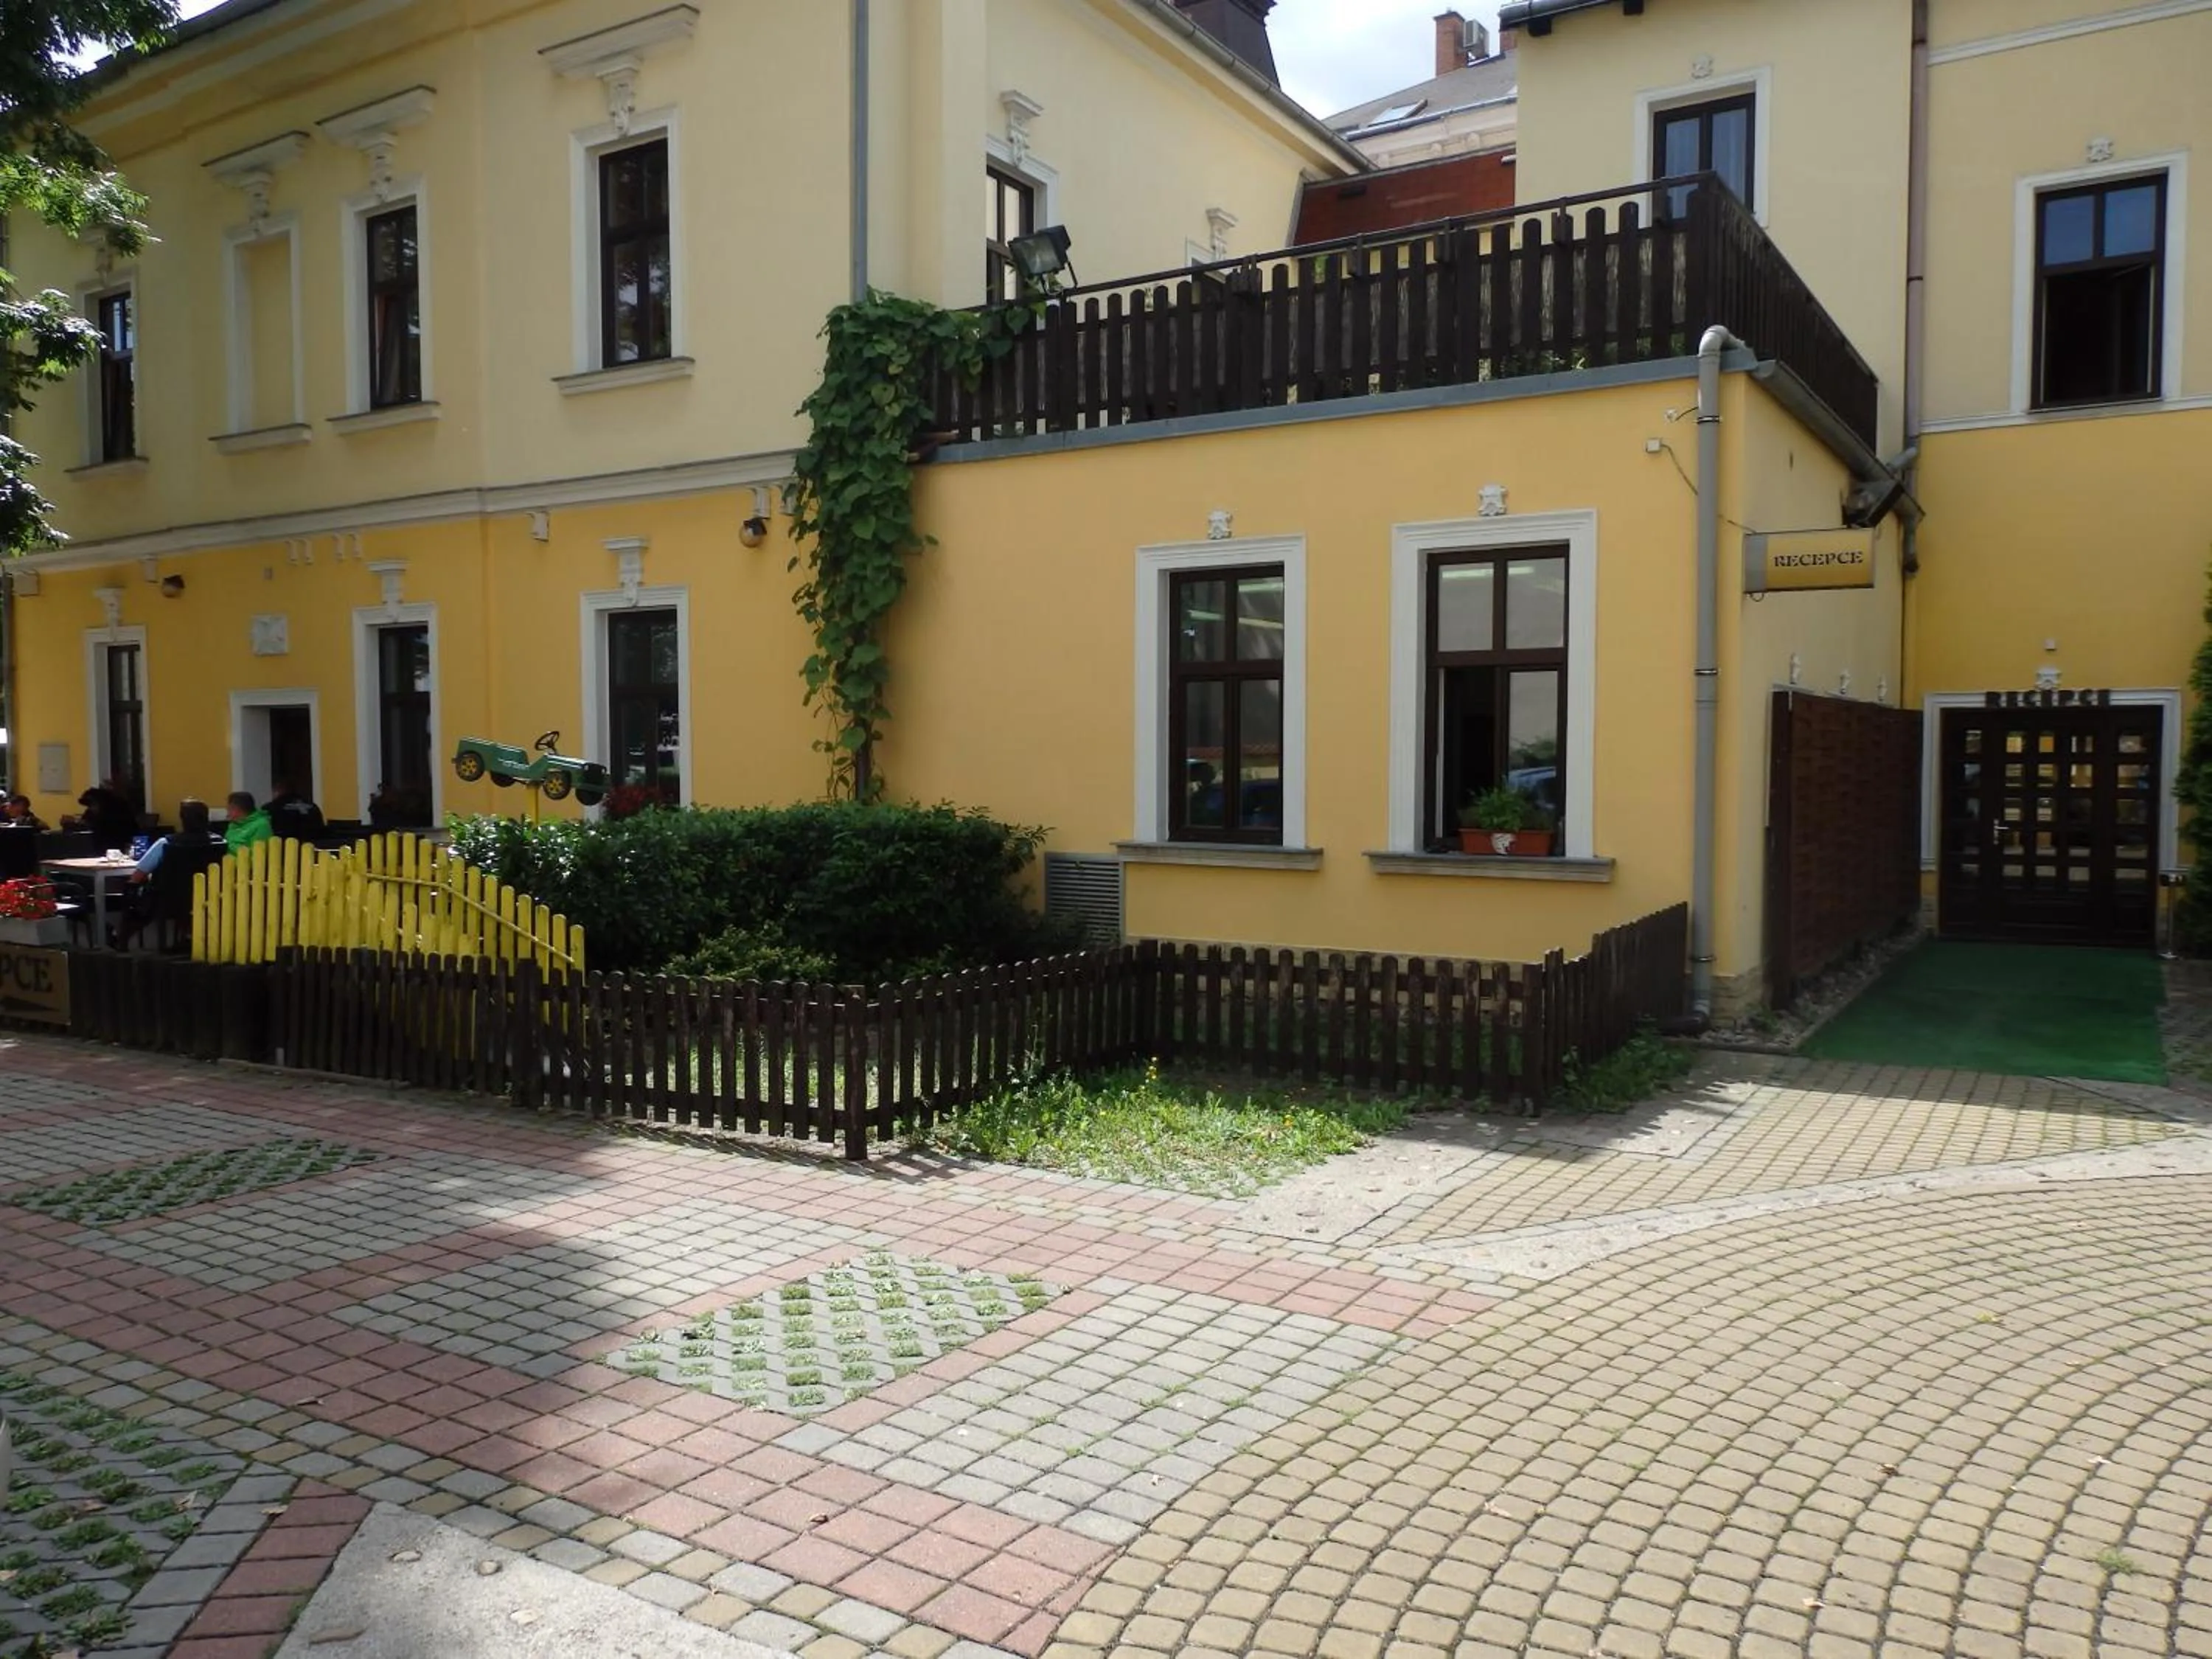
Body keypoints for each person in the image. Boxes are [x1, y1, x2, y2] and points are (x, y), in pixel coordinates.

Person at [116, 799, 221, 950]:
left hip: (167, 898)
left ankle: (122, 941)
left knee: (135, 893)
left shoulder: (166, 843)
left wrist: (132, 887)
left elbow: (138, 875)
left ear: (182, 820)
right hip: (206, 896)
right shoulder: (219, 843)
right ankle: (188, 937)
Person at [70, 784, 139, 849]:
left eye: (93, 804)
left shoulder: (116, 812)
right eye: (89, 805)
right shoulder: (91, 812)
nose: (91, 808)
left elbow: (107, 830)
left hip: (118, 844)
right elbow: (85, 824)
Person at [265, 778, 326, 842]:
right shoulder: (313, 806)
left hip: (286, 847)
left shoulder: (271, 807)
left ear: (277, 791)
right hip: (314, 847)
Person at [224, 791, 271, 857]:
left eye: (229, 809)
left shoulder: (262, 826)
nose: (227, 814)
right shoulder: (233, 824)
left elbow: (258, 855)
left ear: (236, 809)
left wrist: (228, 846)